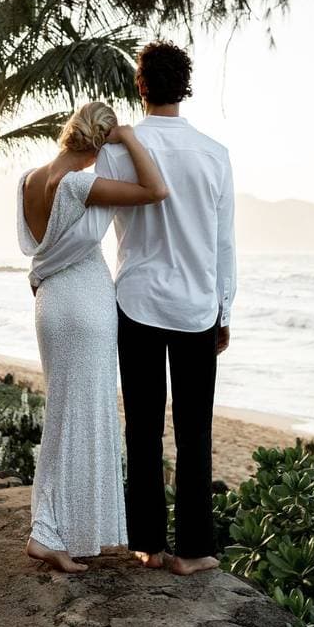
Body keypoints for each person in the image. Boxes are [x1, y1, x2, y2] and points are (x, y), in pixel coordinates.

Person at [95, 41, 236, 576]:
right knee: (196, 429)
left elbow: (92, 226)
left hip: (136, 302)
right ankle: (195, 551)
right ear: (186, 86)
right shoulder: (214, 154)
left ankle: (149, 546)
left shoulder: (118, 149)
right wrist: (223, 311)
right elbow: (224, 244)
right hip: (198, 306)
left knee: (144, 428)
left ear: (141, 85)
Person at [16, 101, 169, 573]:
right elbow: (155, 189)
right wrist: (131, 138)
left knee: (63, 414)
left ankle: (52, 527)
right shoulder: (82, 184)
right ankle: (51, 534)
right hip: (85, 305)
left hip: (52, 305)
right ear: (99, 142)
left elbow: (38, 246)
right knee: (80, 416)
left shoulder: (28, 178)